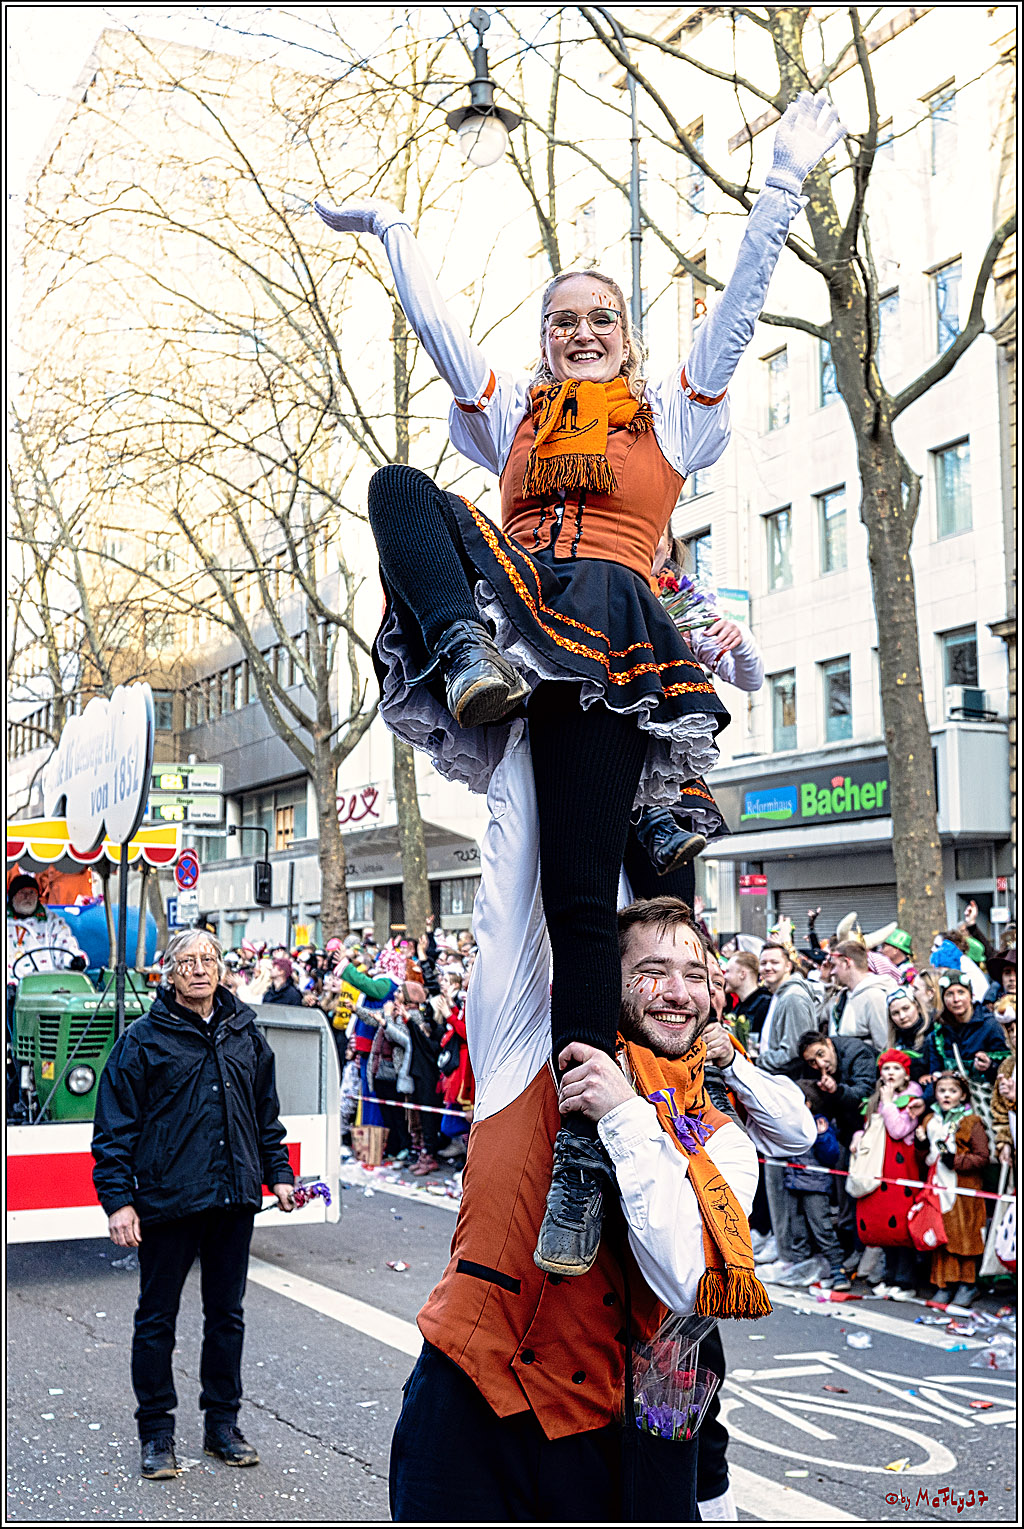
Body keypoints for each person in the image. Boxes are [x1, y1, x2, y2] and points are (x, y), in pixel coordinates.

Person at [315, 91, 845, 1277]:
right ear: (545, 336)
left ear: (628, 335)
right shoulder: (510, 418)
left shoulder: (671, 420)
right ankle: (464, 653)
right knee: (402, 490)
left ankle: (588, 1152)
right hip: (521, 656)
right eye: (562, 318)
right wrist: (395, 240)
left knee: (585, 906)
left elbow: (741, 312)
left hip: (610, 665)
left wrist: (778, 185)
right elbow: (448, 341)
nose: (580, 330)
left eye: (600, 316)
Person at [91, 929, 295, 1480]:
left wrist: (278, 1176)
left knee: (226, 1316)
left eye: (208, 959)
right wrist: (118, 1202)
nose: (200, 969)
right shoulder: (143, 1040)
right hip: (167, 1201)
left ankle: (221, 1426)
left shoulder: (246, 1034)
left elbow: (265, 1117)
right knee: (157, 1319)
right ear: (169, 973)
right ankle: (156, 1433)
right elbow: (112, 1130)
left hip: (233, 1198)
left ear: (222, 969)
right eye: (187, 962)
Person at [849, 1050, 924, 1300]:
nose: (890, 1073)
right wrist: (859, 1138)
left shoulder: (912, 1098)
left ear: (906, 1074)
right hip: (881, 1168)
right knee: (885, 1227)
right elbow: (870, 1127)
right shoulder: (876, 1099)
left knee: (901, 1227)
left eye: (896, 1069)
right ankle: (890, 1277)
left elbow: (898, 1129)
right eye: (886, 1068)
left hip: (903, 1170)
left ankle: (905, 1281)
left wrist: (890, 1102)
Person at [917, 1072, 989, 1307]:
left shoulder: (971, 1122)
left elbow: (982, 1158)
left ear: (963, 1095)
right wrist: (920, 1143)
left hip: (963, 1188)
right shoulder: (930, 1119)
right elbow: (923, 1154)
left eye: (953, 1091)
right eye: (942, 1091)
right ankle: (943, 1284)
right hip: (937, 1184)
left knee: (963, 1235)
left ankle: (967, 1285)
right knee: (941, 1233)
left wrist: (957, 1161)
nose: (946, 1095)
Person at [923, 970, 1008, 1091]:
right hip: (953, 1101)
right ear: (943, 999)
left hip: (986, 1100)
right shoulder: (940, 1031)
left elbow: (1008, 1071)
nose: (956, 999)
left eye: (961, 992)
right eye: (949, 994)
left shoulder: (991, 1026)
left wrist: (990, 1066)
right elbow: (935, 1073)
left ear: (971, 995)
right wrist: (924, 1101)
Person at [6, 873, 86, 982]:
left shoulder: (52, 922)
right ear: (12, 897)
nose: (27, 897)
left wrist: (74, 960)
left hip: (45, 984)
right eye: (22, 893)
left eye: (31, 892)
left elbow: (65, 944)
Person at [755, 943, 818, 1075]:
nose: (767, 967)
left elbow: (793, 1054)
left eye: (774, 962)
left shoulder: (793, 997)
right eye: (763, 963)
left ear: (788, 966)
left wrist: (757, 1059)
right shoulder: (778, 994)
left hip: (789, 1083)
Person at [831, 940, 894, 1054]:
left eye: (835, 965)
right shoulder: (843, 995)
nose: (832, 972)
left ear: (847, 963)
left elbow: (883, 1045)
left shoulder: (874, 996)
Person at [722, 951, 771, 1053]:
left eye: (728, 971)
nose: (724, 977)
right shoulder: (739, 1007)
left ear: (742, 974)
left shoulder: (765, 1005)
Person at [885, 985, 932, 1083]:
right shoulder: (895, 1042)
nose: (902, 1016)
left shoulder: (933, 1033)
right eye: (895, 1013)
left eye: (906, 1008)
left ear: (917, 1006)